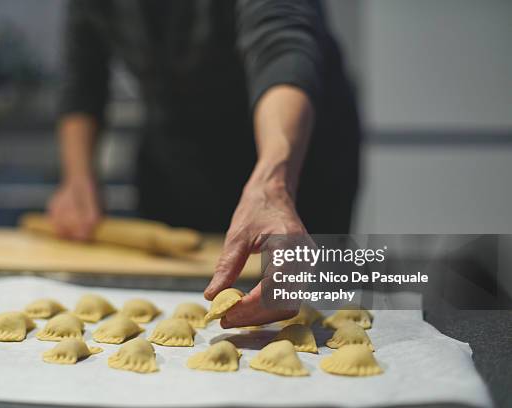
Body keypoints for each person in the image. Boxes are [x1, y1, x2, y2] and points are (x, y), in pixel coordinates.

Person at [48, 0, 361, 328]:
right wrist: (77, 177)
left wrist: (273, 183)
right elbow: (82, 74)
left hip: (292, 151)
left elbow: (283, 44)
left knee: (314, 309)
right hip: (177, 158)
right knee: (174, 307)